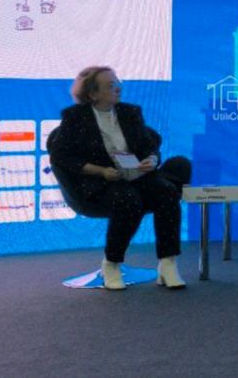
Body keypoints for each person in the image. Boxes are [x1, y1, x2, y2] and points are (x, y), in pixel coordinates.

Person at [48, 66, 190, 290]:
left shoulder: (130, 112)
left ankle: (168, 263)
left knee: (168, 192)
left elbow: (149, 145)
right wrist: (100, 171)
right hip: (101, 180)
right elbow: (61, 157)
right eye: (111, 85)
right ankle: (112, 263)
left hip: (135, 174)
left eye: (118, 83)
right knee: (127, 200)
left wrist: (152, 159)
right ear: (93, 94)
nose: (118, 88)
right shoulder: (74, 117)